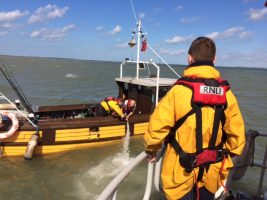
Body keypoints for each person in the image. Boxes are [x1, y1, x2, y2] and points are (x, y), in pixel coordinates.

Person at [144, 37, 245, 200]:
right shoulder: (227, 94)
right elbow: (237, 139)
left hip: (180, 174)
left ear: (189, 58)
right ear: (214, 59)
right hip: (212, 174)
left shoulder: (178, 91)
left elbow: (156, 127)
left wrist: (152, 149)